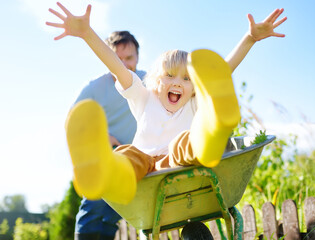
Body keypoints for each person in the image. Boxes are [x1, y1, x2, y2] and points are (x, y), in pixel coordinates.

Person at [46, 2, 286, 206]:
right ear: (155, 81)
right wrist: (88, 33)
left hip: (178, 161)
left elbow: (222, 70)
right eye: (169, 76)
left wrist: (250, 38)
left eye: (186, 78)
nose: (178, 83)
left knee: (185, 142)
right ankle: (104, 171)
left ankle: (213, 134)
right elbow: (117, 67)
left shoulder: (192, 103)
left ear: (195, 87)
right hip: (145, 165)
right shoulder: (143, 96)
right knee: (127, 154)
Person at [71, 31, 145, 240]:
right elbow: (75, 118)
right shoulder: (96, 87)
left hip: (133, 159)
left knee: (114, 212)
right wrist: (103, 136)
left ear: (137, 57)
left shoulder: (147, 81)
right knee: (94, 204)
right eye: (117, 59)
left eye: (129, 58)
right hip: (104, 154)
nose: (123, 65)